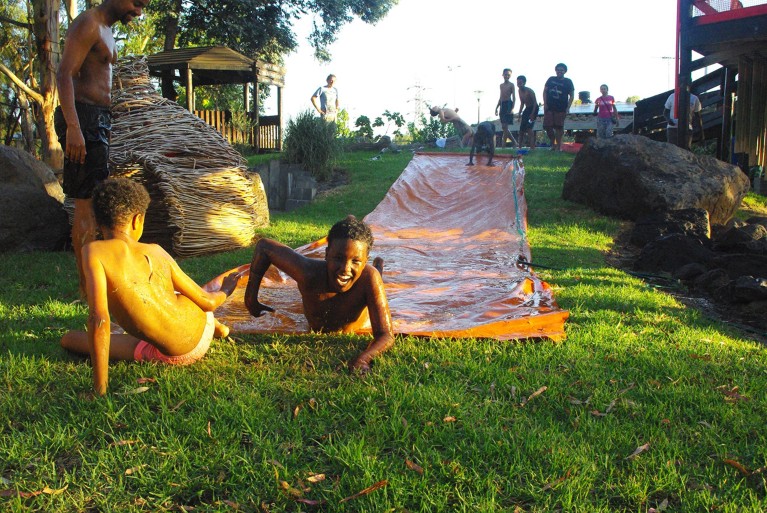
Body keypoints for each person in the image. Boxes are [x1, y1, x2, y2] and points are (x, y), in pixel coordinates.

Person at [60, 178, 241, 396]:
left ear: (98, 223)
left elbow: (99, 319)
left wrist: (100, 389)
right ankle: (220, 329)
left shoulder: (94, 251)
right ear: (138, 220)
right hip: (204, 324)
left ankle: (213, 329)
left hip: (173, 355)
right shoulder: (157, 251)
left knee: (69, 338)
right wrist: (226, 289)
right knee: (169, 294)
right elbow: (207, 301)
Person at [55, 0, 149, 299]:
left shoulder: (107, 30)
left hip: (97, 120)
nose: (139, 12)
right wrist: (73, 127)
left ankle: (99, 281)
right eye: (137, 4)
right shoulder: (89, 23)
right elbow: (64, 74)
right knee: (85, 202)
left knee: (96, 199)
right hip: (81, 118)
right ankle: (87, 288)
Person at [244, 216, 394, 374]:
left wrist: (363, 359)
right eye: (338, 258)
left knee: (375, 276)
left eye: (356, 261)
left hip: (369, 279)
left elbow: (386, 335)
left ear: (365, 262)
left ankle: (378, 265)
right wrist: (250, 299)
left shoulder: (368, 278)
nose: (345, 268)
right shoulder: (308, 272)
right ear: (327, 254)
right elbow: (264, 247)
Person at [542, 63, 574, 151]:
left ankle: (559, 146)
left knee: (559, 127)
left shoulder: (568, 81)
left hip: (561, 107)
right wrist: (545, 104)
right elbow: (545, 91)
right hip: (549, 106)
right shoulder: (551, 79)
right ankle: (553, 143)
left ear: (565, 71)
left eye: (562, 70)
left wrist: (568, 107)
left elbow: (571, 95)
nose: (560, 71)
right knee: (547, 126)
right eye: (558, 69)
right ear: (555, 70)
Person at [495, 68, 516, 148]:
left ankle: (503, 145)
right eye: (505, 74)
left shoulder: (511, 85)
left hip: (508, 104)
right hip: (502, 105)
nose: (507, 76)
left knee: (505, 126)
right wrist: (496, 107)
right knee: (504, 127)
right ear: (502, 75)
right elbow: (500, 97)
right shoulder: (501, 85)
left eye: (508, 75)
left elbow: (514, 97)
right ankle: (514, 142)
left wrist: (512, 108)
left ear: (510, 76)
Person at [516, 76, 539, 149]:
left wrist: (532, 114)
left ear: (524, 83)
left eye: (520, 83)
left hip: (534, 108)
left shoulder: (529, 91)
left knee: (529, 128)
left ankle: (532, 147)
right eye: (518, 83)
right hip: (527, 108)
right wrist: (519, 114)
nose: (519, 84)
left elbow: (535, 103)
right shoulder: (519, 91)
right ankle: (519, 147)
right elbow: (522, 103)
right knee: (522, 129)